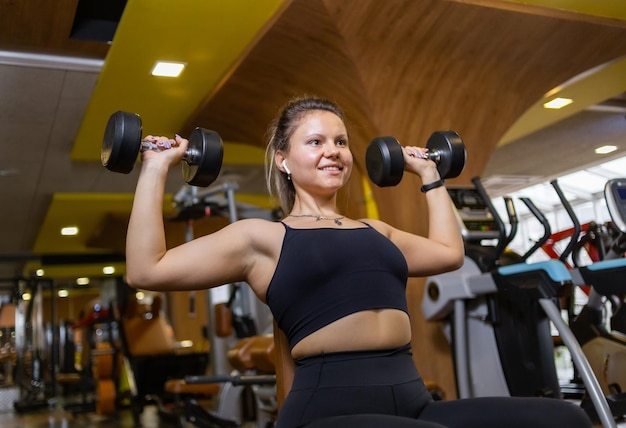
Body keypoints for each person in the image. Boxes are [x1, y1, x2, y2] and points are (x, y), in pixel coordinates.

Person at [125, 96, 592, 427]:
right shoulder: (261, 237)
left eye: (341, 141)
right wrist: (154, 168)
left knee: (562, 417)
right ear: (284, 159)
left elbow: (449, 254)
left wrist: (430, 175)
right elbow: (147, 270)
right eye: (315, 142)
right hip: (328, 407)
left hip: (411, 401)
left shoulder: (376, 230)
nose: (333, 150)